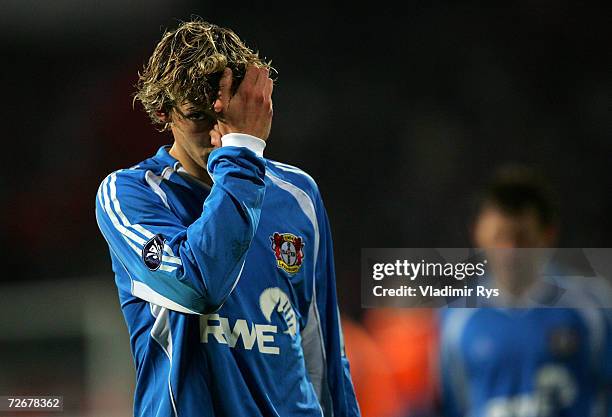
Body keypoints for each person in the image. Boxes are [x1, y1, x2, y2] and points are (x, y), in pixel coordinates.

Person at [95, 19, 360, 417]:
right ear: (162, 110)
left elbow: (323, 355)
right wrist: (242, 152)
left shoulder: (298, 195)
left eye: (228, 114)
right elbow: (199, 285)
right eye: (199, 117)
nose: (219, 134)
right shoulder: (131, 195)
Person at [439, 165, 612, 417]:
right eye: (500, 237)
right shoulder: (455, 320)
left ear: (547, 234)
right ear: (477, 234)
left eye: (522, 238)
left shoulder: (591, 308)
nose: (510, 251)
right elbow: (453, 404)